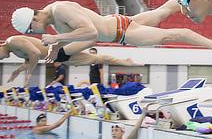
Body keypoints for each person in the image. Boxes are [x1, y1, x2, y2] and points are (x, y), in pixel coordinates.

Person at [10, 0, 212, 63]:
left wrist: (57, 39)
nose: (35, 32)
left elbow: (89, 33)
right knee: (164, 11)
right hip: (121, 23)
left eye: (32, 28)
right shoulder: (53, 14)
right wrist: (55, 49)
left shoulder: (60, 10)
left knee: (174, 34)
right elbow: (81, 34)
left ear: (35, 16)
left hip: (124, 32)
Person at [0, 35, 142, 87]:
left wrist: (28, 76)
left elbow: (35, 54)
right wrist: (17, 71)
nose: (0, 59)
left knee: (92, 39)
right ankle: (125, 61)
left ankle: (117, 33)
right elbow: (29, 60)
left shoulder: (12, 41)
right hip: (63, 59)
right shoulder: (14, 51)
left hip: (60, 50)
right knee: (96, 59)